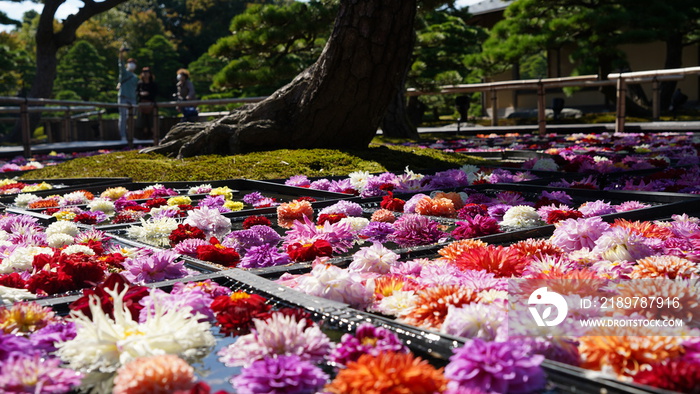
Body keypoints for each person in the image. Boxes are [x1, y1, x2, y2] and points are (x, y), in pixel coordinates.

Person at [117, 52, 138, 141]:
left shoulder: (135, 77)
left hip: (132, 99)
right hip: (123, 97)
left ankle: (130, 136)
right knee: (123, 117)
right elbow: (120, 64)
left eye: (133, 63)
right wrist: (121, 53)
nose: (132, 65)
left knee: (131, 118)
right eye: (130, 63)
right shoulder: (124, 72)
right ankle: (123, 136)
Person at [137, 67, 158, 139]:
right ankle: (144, 136)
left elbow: (155, 94)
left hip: (151, 104)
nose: (145, 74)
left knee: (152, 121)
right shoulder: (140, 83)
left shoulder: (153, 84)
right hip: (142, 105)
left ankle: (153, 136)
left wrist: (148, 94)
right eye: (144, 72)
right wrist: (141, 94)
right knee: (143, 122)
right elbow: (136, 93)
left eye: (147, 72)